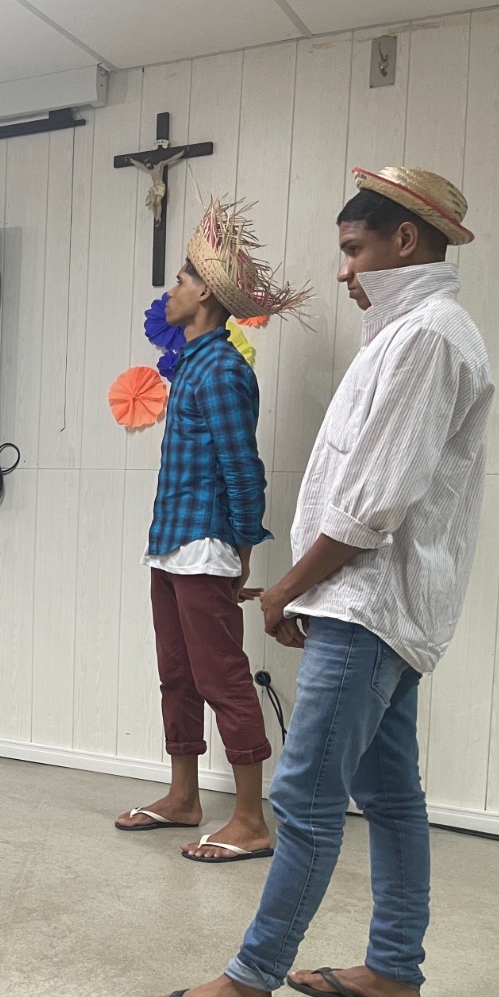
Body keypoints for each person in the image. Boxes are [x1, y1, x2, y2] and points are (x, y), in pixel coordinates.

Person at [145, 167, 490, 997]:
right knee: (392, 796)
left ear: (405, 240)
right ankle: (393, 973)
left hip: (366, 607)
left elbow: (373, 505)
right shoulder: (408, 332)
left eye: (353, 249)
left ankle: (251, 981)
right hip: (370, 603)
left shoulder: (427, 338)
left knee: (302, 800)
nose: (343, 271)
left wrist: (288, 588)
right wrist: (304, 585)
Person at [117, 197, 310, 864]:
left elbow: (243, 470)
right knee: (176, 674)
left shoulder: (225, 369)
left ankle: (251, 820)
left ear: (205, 294)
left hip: (204, 547)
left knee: (222, 677)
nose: (169, 292)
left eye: (180, 280)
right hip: (171, 543)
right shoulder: (194, 363)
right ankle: (184, 797)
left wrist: (242, 552)